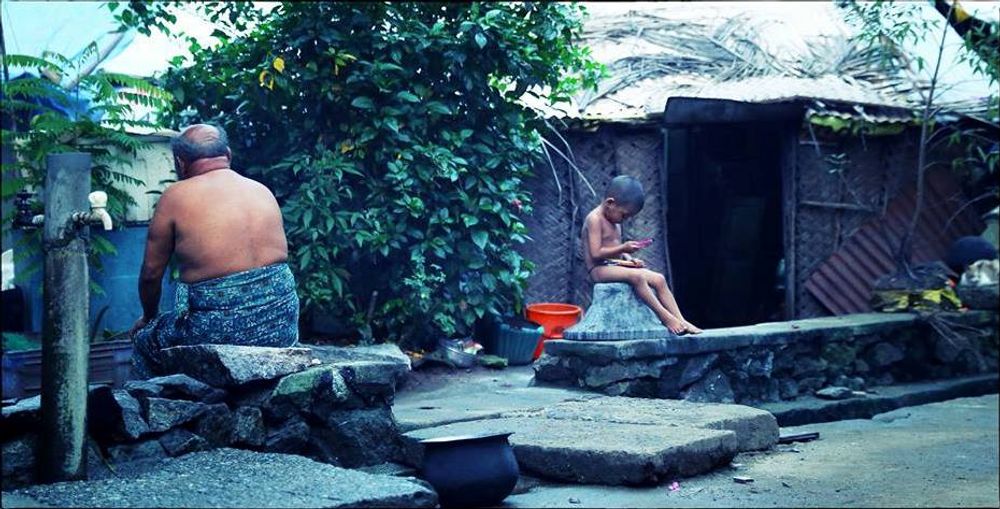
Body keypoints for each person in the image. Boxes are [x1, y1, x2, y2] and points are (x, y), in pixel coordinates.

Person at [129, 123, 299, 378]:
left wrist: (149, 318)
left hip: (216, 332)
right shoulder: (260, 190)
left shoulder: (175, 197)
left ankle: (163, 402)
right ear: (228, 154)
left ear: (180, 162)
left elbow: (151, 274)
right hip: (281, 329)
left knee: (146, 341)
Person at [582, 175, 702, 335]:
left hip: (614, 265)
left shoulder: (615, 220)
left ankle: (681, 319)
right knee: (637, 277)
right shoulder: (594, 219)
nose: (624, 220)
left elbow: (615, 250)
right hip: (598, 270)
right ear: (610, 203)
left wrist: (629, 259)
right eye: (624, 215)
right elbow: (596, 253)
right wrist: (624, 248)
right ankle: (665, 316)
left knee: (659, 279)